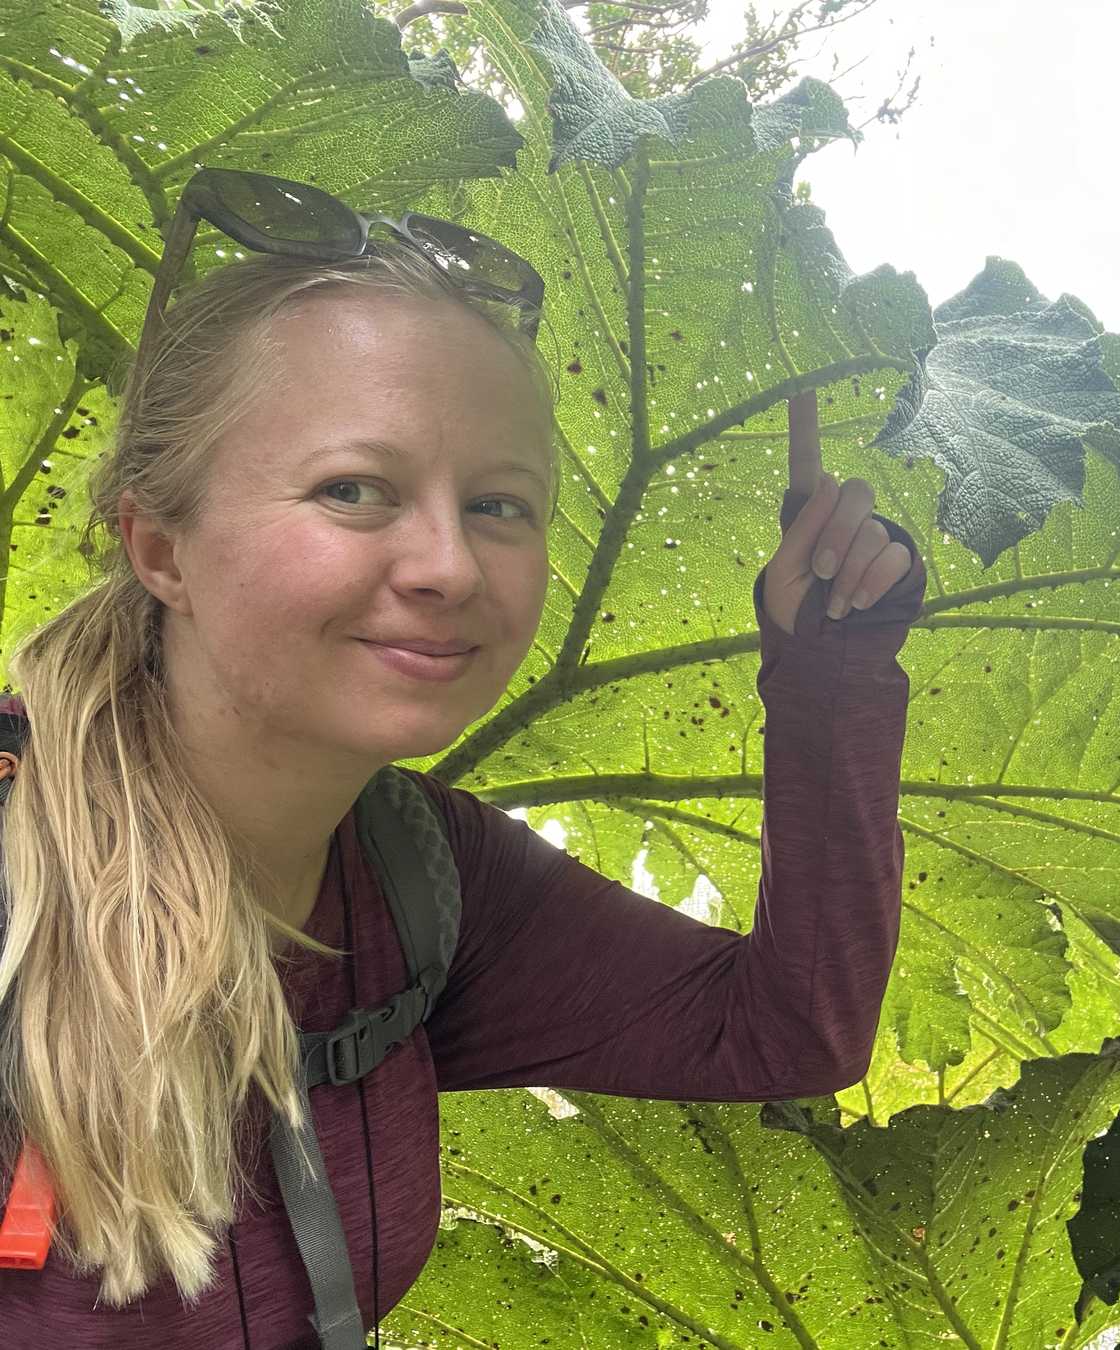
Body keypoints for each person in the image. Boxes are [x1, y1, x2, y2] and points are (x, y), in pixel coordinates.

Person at [0, 175, 926, 1347]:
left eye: (499, 505)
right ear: (159, 544)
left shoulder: (426, 880)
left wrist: (828, 670)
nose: (448, 565)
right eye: (354, 491)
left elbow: (787, 1030)